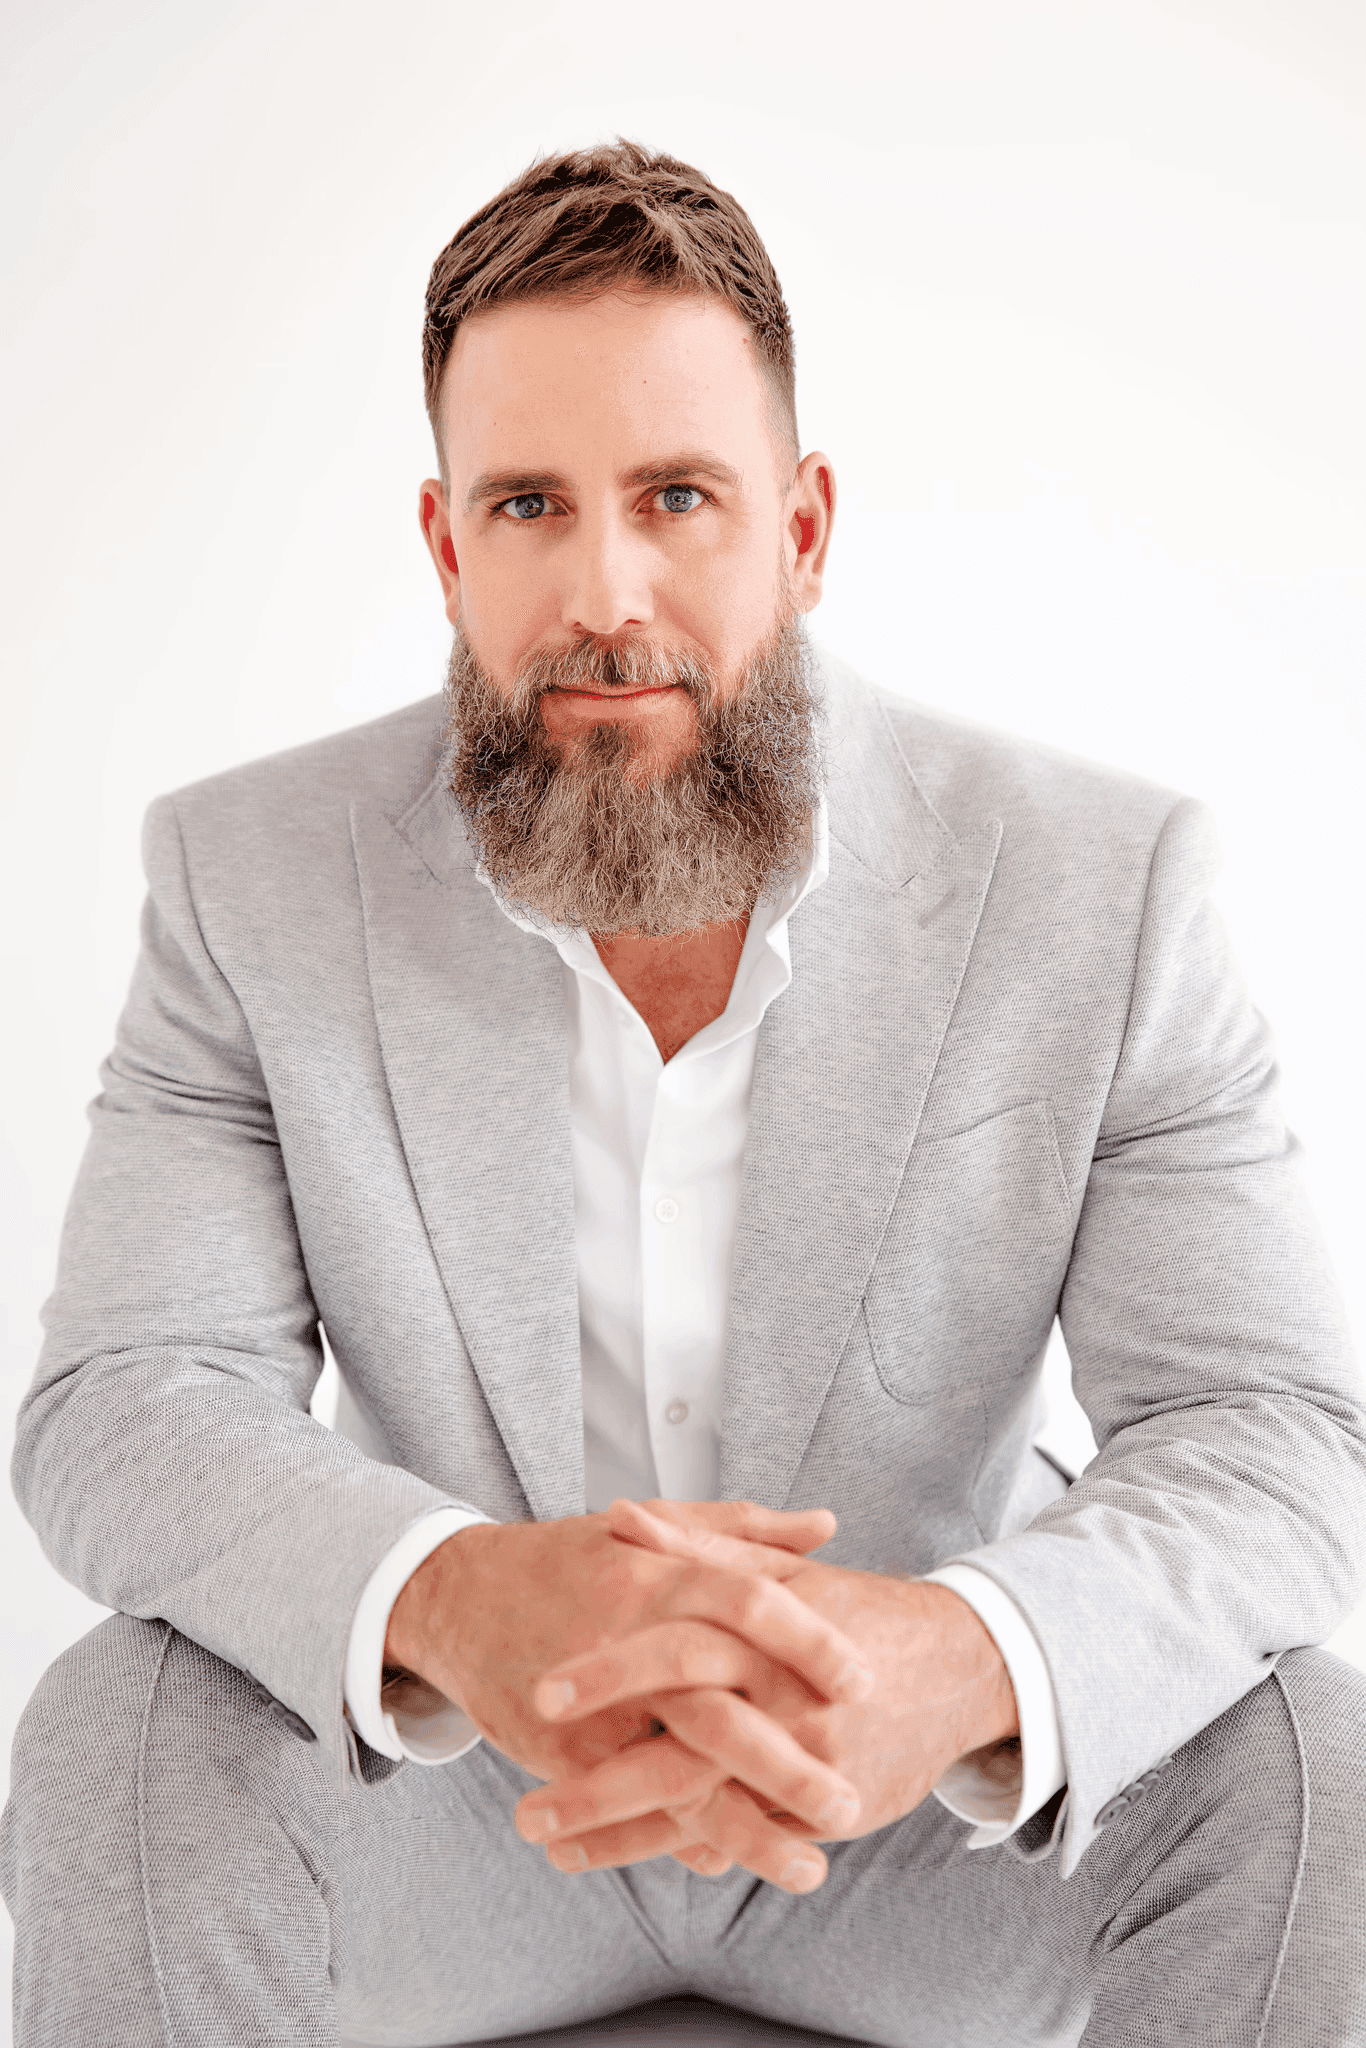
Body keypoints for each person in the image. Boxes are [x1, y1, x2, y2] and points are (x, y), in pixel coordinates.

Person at [3, 141, 1365, 2048]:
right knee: (111, 1735)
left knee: (1307, 1756)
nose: (602, 589)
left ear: (802, 529)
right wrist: (456, 1597)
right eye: (532, 504)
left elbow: (1269, 1428)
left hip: (915, 1803)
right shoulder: (246, 881)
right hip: (463, 1794)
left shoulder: (1098, 886)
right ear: (444, 541)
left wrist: (960, 1652)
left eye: (677, 497)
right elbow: (124, 1401)